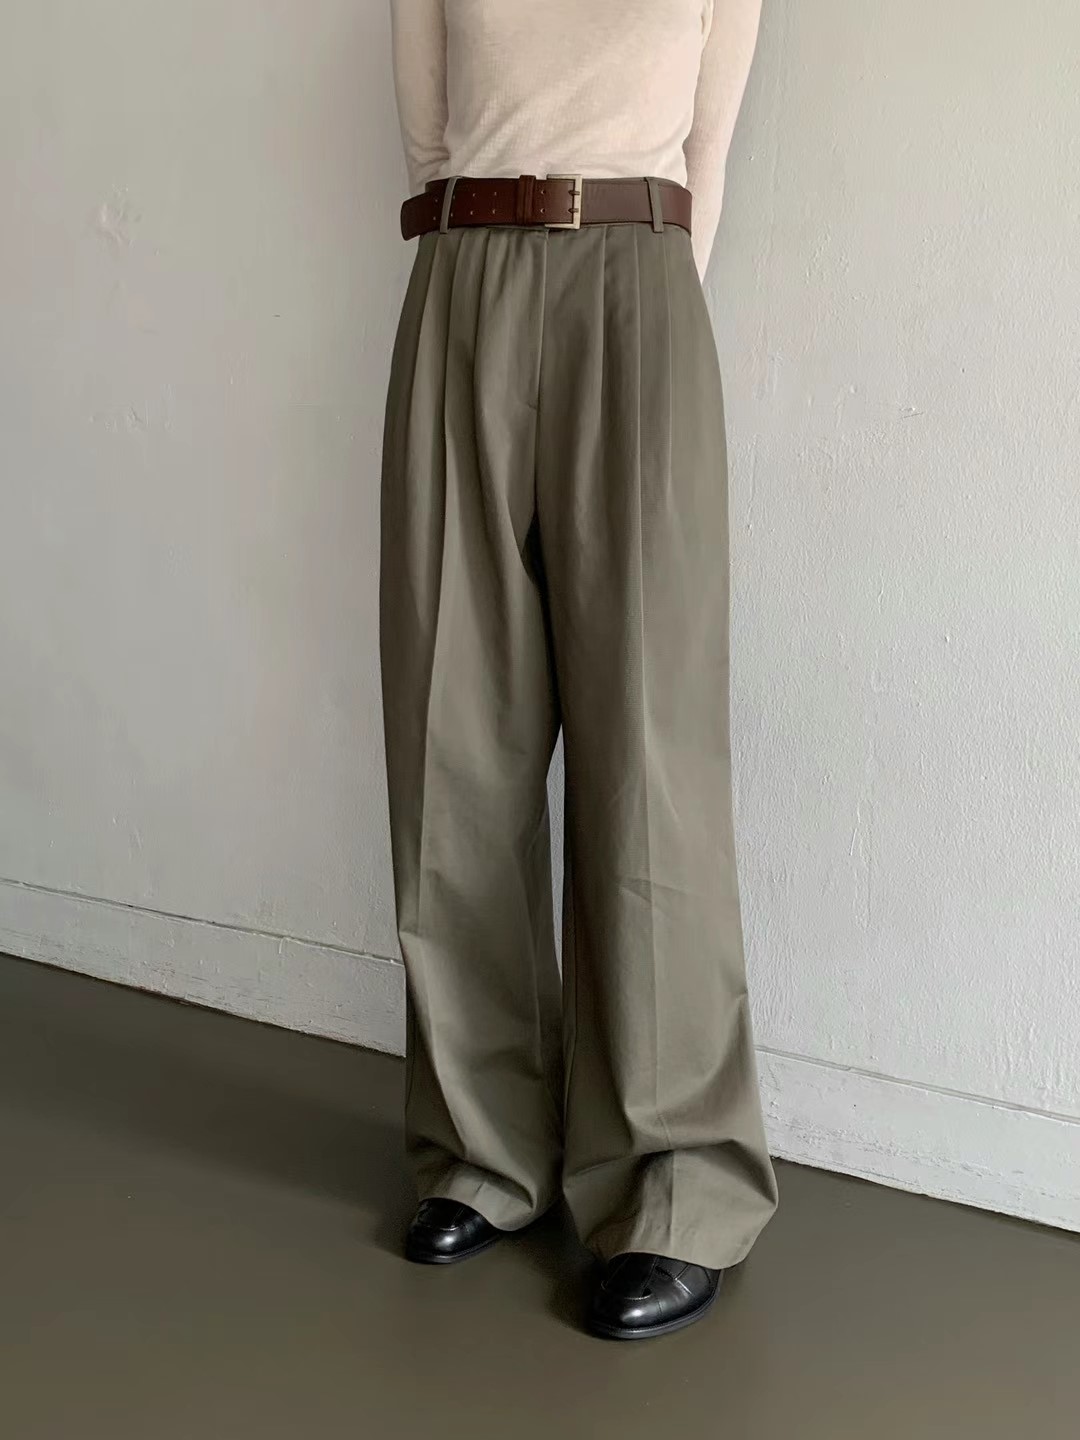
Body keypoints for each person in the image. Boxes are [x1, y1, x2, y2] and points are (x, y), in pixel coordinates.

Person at [380, 0, 776, 1341]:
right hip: (464, 273)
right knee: (451, 734)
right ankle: (482, 1152)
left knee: (649, 752)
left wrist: (631, 304)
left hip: (638, 281)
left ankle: (677, 1183)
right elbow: (431, 135)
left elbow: (706, 151)